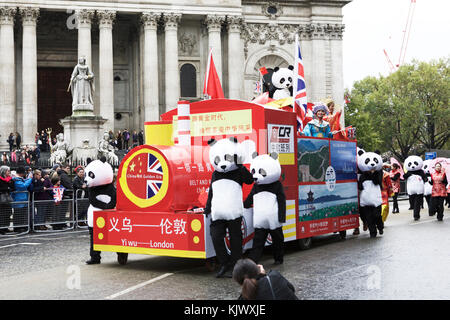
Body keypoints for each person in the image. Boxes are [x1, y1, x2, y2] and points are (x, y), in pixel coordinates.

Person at [232, 258, 298, 300]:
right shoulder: (275, 276)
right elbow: (292, 289)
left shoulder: (245, 297)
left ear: (239, 283)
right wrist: (262, 275)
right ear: (257, 269)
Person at [11, 166, 32, 233]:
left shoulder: (19, 179)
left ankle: (22, 227)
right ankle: (17, 228)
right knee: (18, 215)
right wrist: (30, 179)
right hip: (18, 200)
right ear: (22, 173)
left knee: (22, 215)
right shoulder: (16, 180)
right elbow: (23, 186)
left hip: (22, 200)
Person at [0, 166, 14, 234]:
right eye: (8, 171)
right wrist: (7, 188)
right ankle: (1, 228)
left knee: (8, 213)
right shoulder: (0, 179)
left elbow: (13, 187)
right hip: (1, 199)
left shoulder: (10, 179)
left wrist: (9, 185)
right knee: (2, 214)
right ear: (4, 171)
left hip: (8, 198)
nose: (9, 172)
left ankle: (6, 227)